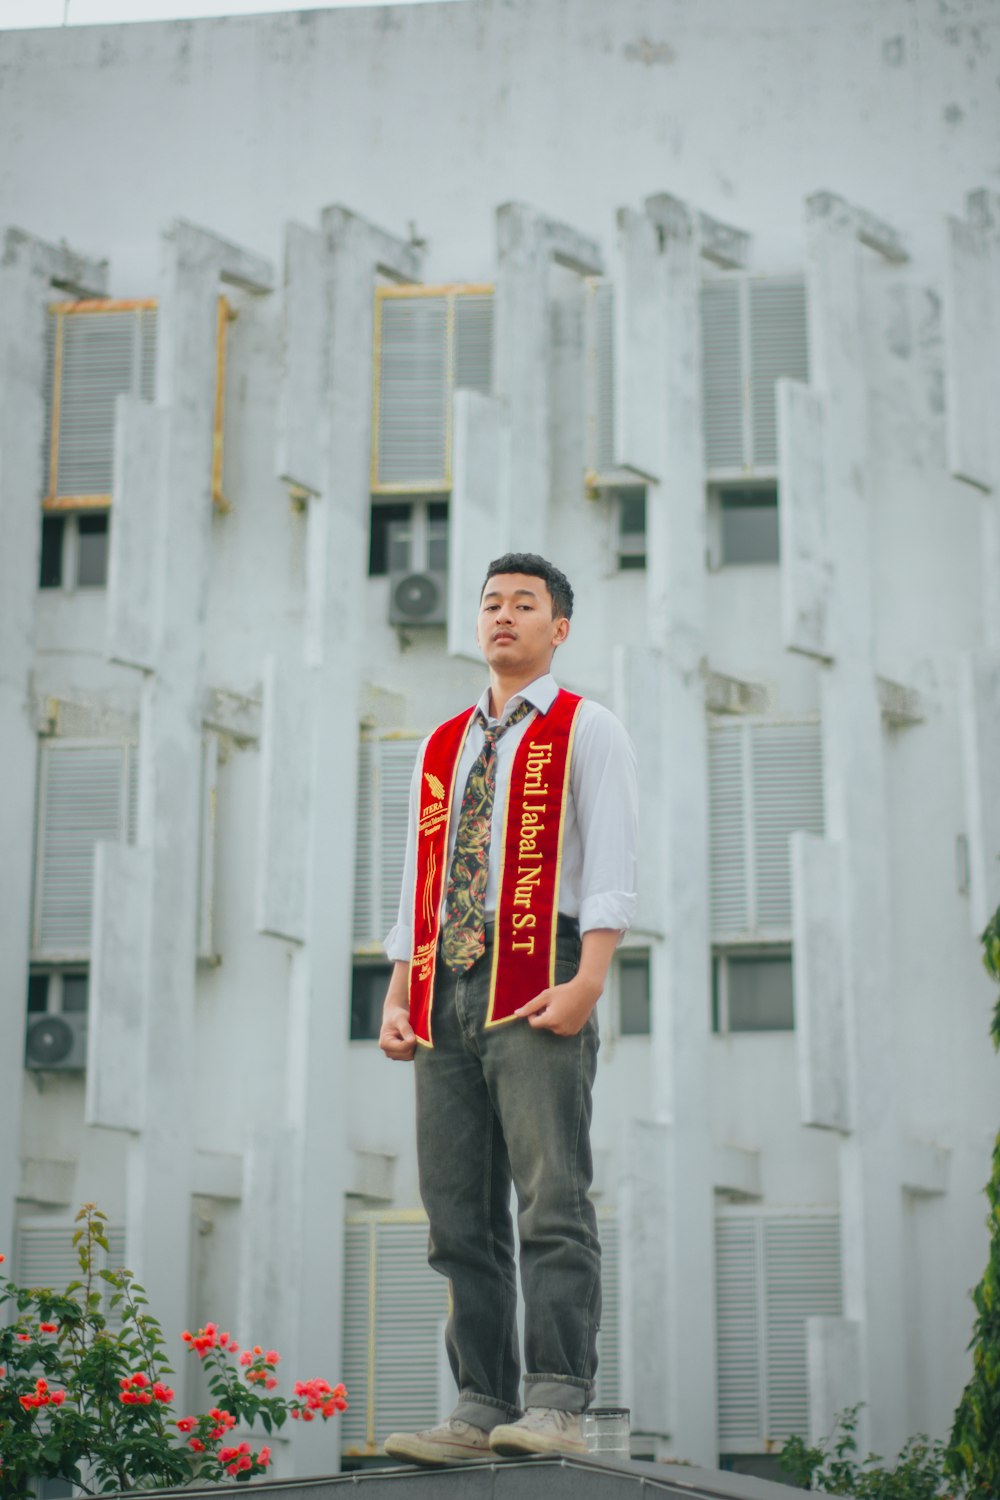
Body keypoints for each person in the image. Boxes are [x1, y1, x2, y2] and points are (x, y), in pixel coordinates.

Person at [379, 552, 638, 1466]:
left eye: (524, 604)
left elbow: (610, 861)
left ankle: (557, 1399)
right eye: (490, 602)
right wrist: (400, 989)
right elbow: (423, 871)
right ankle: (479, 1404)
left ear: (558, 628)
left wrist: (589, 981)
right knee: (456, 1213)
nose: (503, 616)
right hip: (444, 978)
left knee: (551, 1197)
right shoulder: (443, 743)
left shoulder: (586, 727)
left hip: (542, 970)